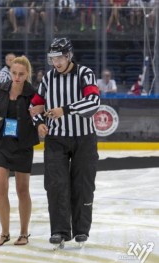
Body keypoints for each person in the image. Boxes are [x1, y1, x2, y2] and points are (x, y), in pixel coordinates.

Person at [30, 38, 100, 247]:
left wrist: (65, 110)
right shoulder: (49, 78)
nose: (56, 62)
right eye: (53, 58)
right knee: (56, 185)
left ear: (69, 56)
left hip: (84, 139)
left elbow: (93, 102)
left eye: (60, 58)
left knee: (83, 185)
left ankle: (81, 231)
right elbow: (34, 106)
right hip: (56, 139)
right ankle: (59, 230)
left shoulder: (84, 73)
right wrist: (39, 123)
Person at [0, 56, 39, 246]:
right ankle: (4, 232)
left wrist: (41, 124)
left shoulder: (33, 93)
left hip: (22, 145)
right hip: (2, 143)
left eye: (21, 74)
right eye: (14, 73)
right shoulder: (1, 88)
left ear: (27, 74)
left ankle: (24, 233)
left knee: (22, 190)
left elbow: (38, 117)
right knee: (1, 189)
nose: (16, 77)